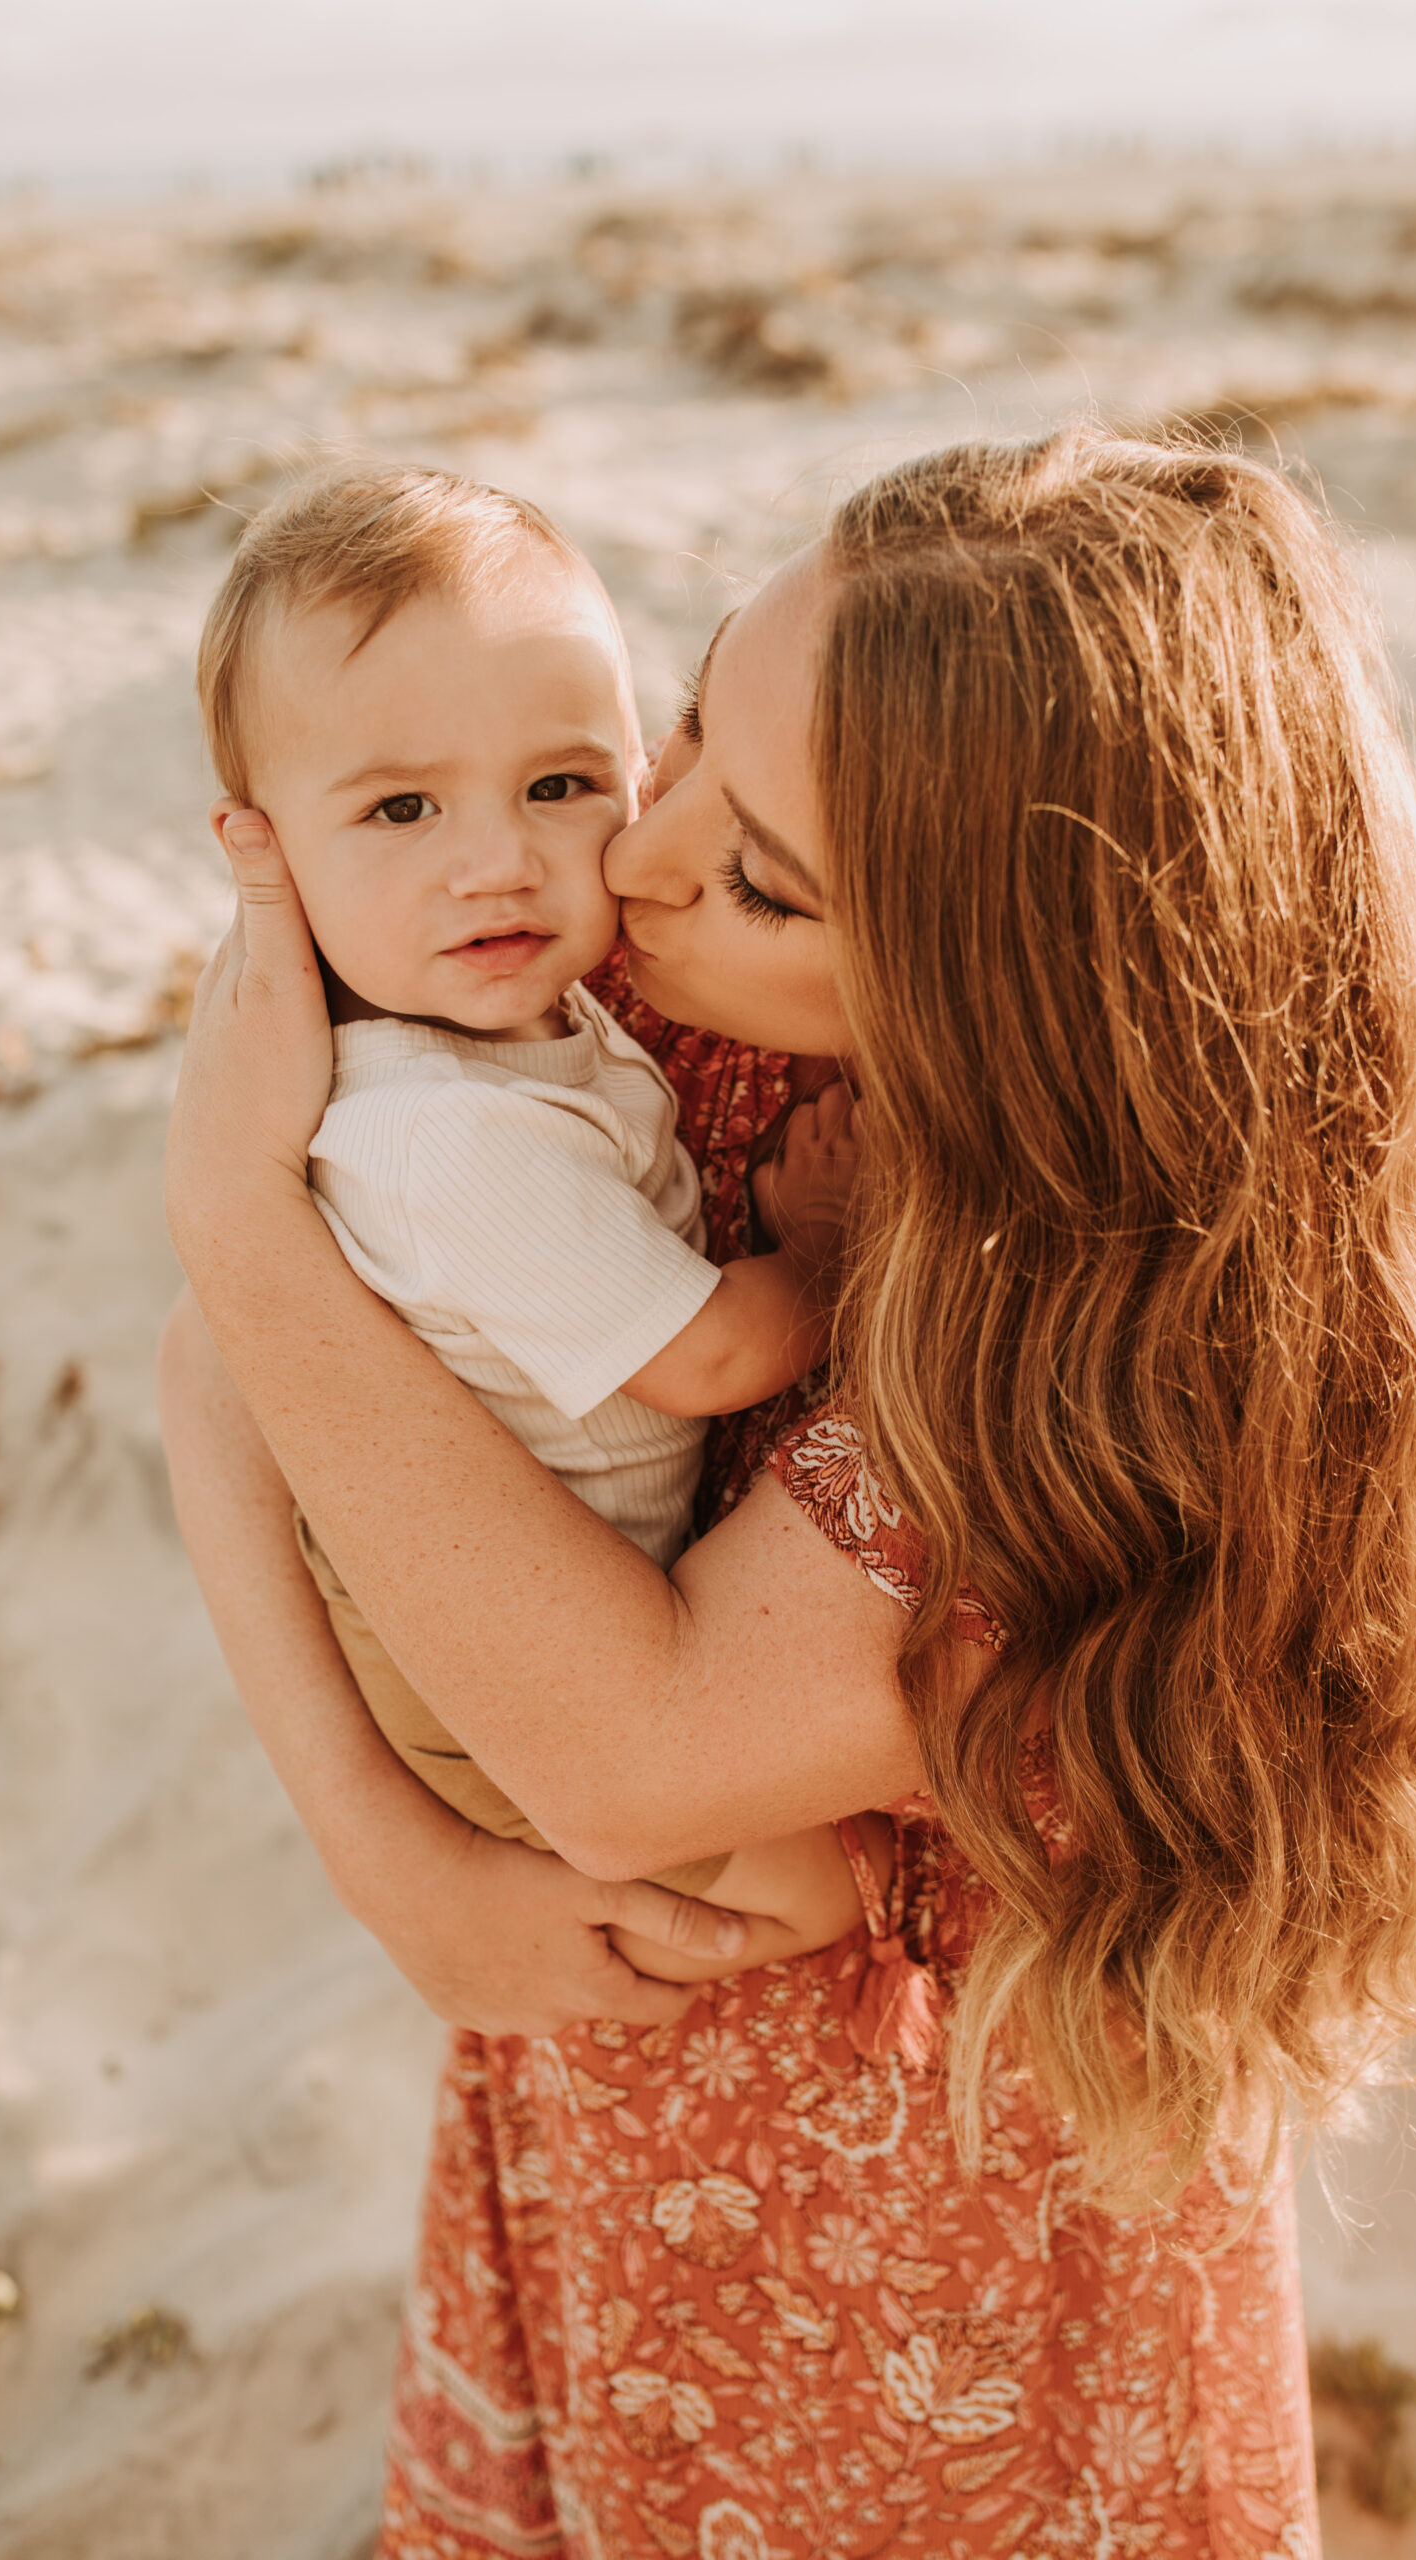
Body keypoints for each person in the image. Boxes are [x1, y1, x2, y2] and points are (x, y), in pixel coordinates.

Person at [159, 426, 1416, 2560]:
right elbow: (236, 1370)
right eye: (680, 726)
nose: (636, 861)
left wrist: (236, 1212)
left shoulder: (1078, 1339)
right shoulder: (663, 1011)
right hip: (615, 2077)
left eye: (758, 870)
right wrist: (377, 1847)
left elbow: (625, 1748)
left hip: (938, 2219)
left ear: (1002, 1001)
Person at [194, 462, 876, 1976]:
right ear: (269, 857)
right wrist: (817, 1250)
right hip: (480, 1675)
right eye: (401, 807)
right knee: (809, 1902)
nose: (499, 859)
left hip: (565, 1619)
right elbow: (700, 1361)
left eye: (562, 785)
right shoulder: (438, 1127)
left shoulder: (530, 1015)